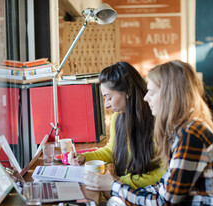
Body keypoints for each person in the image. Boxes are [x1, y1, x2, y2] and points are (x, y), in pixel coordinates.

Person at [89, 60, 213, 206]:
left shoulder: (190, 136)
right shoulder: (186, 130)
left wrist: (114, 186)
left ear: (169, 95)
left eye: (151, 92)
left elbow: (162, 205)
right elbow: (163, 187)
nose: (145, 97)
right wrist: (118, 187)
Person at [68, 61, 165, 190]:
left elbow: (164, 172)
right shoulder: (118, 118)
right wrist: (84, 157)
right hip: (122, 190)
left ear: (127, 91)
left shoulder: (159, 122)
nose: (106, 105)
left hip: (148, 193)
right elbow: (111, 150)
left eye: (108, 98)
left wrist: (120, 181)